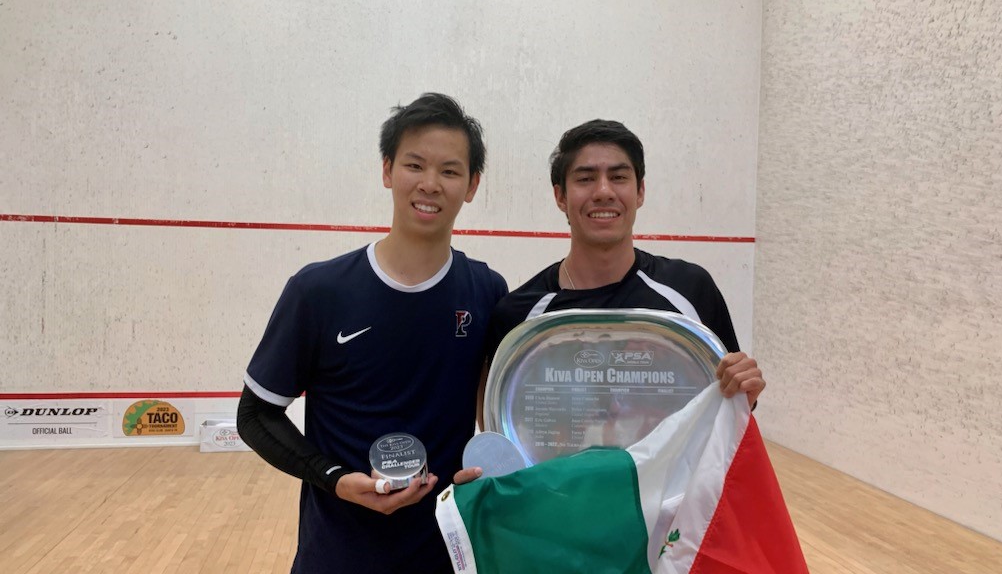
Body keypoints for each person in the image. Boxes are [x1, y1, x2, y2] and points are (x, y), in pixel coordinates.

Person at [237, 93, 507, 574]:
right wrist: (335, 478)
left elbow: (497, 414)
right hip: (337, 556)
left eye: (449, 171)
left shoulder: (487, 291)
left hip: (447, 555)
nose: (430, 184)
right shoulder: (317, 290)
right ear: (387, 171)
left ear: (471, 185)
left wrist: (487, 472)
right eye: (414, 165)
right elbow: (256, 416)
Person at [483, 119, 765, 418]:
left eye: (618, 177)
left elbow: (730, 410)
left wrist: (743, 389)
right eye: (585, 178)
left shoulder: (691, 289)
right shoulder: (519, 316)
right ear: (560, 197)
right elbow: (502, 428)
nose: (604, 191)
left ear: (640, 191)